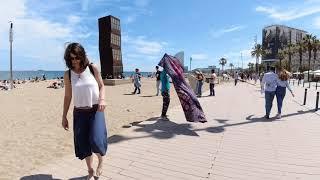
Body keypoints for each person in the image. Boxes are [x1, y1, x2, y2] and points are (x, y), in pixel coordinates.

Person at [61, 43, 107, 179]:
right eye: (71, 58)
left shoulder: (92, 68)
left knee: (96, 141)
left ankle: (101, 161)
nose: (74, 61)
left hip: (95, 110)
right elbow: (68, 96)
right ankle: (90, 170)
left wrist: (102, 99)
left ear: (82, 55)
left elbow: (101, 86)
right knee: (84, 144)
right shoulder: (68, 74)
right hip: (79, 113)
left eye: (76, 57)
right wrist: (64, 116)